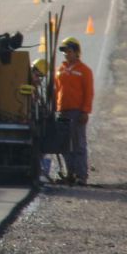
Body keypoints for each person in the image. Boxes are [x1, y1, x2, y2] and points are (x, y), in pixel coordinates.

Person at [55, 37, 94, 185]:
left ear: (76, 52)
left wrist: (85, 111)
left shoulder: (85, 71)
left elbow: (89, 92)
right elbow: (56, 89)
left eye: (68, 51)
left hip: (77, 112)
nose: (66, 54)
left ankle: (81, 175)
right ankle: (70, 173)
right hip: (62, 112)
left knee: (78, 144)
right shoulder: (60, 70)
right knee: (64, 144)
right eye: (64, 51)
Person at [30, 58, 52, 182]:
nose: (38, 80)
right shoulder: (25, 84)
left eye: (41, 77)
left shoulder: (35, 89)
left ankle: (41, 170)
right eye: (37, 76)